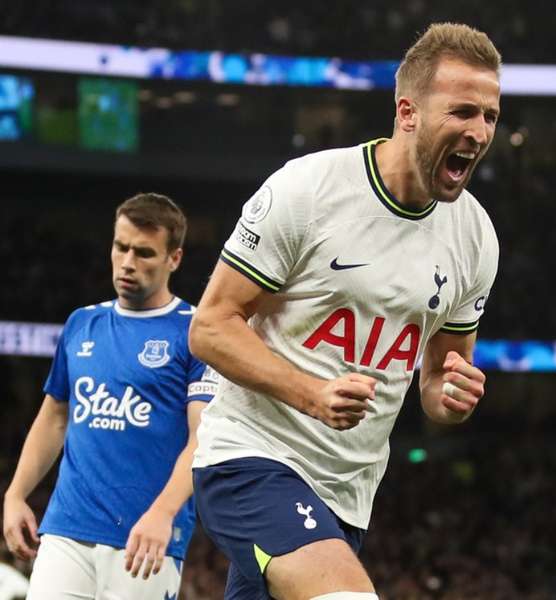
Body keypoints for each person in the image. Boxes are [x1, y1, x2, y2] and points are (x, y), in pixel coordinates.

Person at [188, 22, 501, 600]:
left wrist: (448, 397)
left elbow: (438, 380)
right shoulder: (309, 190)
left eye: (489, 116)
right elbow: (209, 329)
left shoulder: (476, 237)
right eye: (462, 112)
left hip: (347, 496)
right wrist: (312, 393)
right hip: (252, 458)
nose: (479, 132)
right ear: (408, 112)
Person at [2, 193, 218, 599]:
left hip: (146, 538)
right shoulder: (82, 323)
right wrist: (15, 494)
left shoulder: (195, 334)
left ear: (174, 258)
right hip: (66, 530)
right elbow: (54, 417)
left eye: (144, 252)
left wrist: (163, 513)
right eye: (121, 247)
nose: (128, 262)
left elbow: (202, 438)